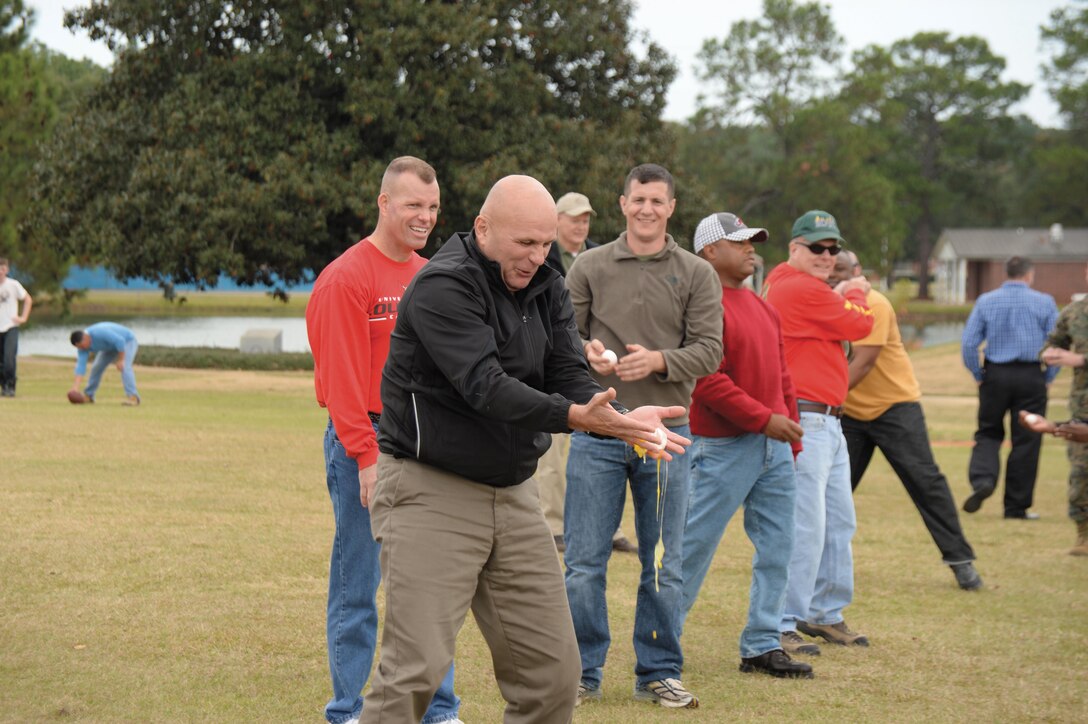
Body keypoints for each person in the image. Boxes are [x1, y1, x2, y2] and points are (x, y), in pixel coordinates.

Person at [362, 174, 690, 724]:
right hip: (429, 491)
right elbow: (485, 385)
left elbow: (567, 370)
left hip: (513, 497)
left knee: (552, 678)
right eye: (525, 244)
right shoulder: (444, 286)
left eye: (545, 243)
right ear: (483, 227)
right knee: (414, 672)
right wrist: (573, 417)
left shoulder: (547, 283)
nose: (538, 257)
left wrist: (622, 416)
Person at [304, 157, 461, 724]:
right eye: (414, 205)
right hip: (365, 443)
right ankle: (348, 710)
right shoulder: (346, 278)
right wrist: (365, 457)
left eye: (433, 206)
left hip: (426, 440)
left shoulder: (431, 274)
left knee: (430, 583)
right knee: (358, 582)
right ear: (384, 204)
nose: (425, 216)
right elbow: (342, 381)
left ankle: (439, 709)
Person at [563, 163, 723, 709]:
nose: (647, 209)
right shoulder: (589, 265)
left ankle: (658, 670)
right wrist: (587, 351)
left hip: (667, 438)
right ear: (623, 203)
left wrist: (659, 360)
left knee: (662, 562)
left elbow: (710, 350)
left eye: (657, 201)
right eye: (638, 200)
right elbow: (561, 335)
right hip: (599, 431)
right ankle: (582, 672)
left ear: (671, 207)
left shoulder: (696, 274)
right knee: (584, 562)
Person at [680, 212, 811, 679]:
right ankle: (660, 644)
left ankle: (761, 644)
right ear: (709, 252)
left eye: (754, 241)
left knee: (778, 549)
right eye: (740, 242)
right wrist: (765, 420)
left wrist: (788, 437)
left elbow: (782, 378)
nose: (752, 248)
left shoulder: (763, 307)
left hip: (773, 449)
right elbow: (705, 381)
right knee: (692, 548)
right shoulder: (702, 306)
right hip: (720, 448)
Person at [831, 251, 983, 590]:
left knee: (926, 482)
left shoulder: (875, 303)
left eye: (842, 269)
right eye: (829, 268)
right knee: (831, 493)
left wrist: (825, 398)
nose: (834, 275)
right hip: (849, 412)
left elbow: (864, 362)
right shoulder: (822, 302)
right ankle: (811, 569)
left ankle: (961, 561)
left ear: (857, 272)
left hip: (894, 407)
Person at [763, 210, 873, 655]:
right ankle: (783, 620)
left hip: (828, 419)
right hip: (808, 418)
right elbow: (861, 324)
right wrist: (858, 291)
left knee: (837, 521)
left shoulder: (791, 282)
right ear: (795, 248)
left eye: (833, 248)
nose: (827, 256)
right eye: (817, 247)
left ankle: (823, 612)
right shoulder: (799, 287)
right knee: (806, 525)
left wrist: (841, 291)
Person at [538, 191, 637, 555]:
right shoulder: (541, 254)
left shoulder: (598, 255)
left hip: (594, 369)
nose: (581, 225)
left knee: (609, 450)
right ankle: (553, 526)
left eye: (586, 219)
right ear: (557, 220)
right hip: (551, 364)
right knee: (551, 451)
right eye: (574, 218)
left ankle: (610, 530)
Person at [961, 256, 1058, 520]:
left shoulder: (986, 301)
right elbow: (1056, 345)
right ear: (1029, 275)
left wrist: (978, 373)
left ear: (1007, 273)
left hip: (996, 373)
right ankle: (1016, 507)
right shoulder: (1045, 302)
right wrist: (1048, 377)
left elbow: (969, 343)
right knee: (1027, 439)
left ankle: (983, 479)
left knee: (988, 432)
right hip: (1030, 376)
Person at [1037, 268, 1088, 555]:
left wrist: (1080, 359)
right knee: (1081, 473)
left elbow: (1077, 358)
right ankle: (1083, 534)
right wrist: (1049, 353)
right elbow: (1054, 342)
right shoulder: (1074, 312)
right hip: (1083, 406)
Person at [70, 322, 140, 405]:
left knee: (125, 366)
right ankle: (89, 395)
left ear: (86, 338)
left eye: (81, 346)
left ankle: (133, 397)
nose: (81, 348)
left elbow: (120, 341)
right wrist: (75, 388)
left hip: (127, 341)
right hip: (110, 347)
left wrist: (121, 360)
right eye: (79, 347)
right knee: (96, 367)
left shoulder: (98, 332)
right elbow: (81, 366)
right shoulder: (82, 348)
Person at [0, 257, 32, 397]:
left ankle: (11, 386)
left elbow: (28, 299)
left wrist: (23, 317)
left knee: (9, 358)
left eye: (2, 269)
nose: (0, 271)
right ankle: (4, 387)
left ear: (7, 270)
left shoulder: (13, 285)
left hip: (10, 326)